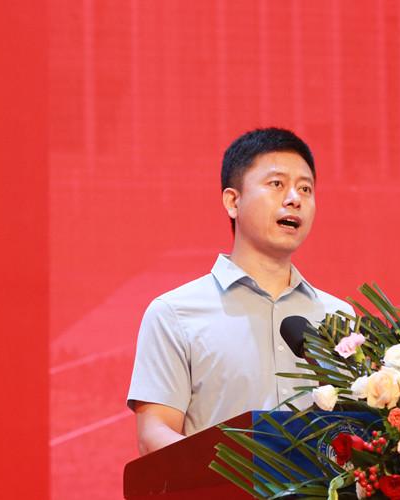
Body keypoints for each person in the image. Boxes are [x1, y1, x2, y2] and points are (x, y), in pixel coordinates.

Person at [126, 127, 354, 455]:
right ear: (233, 201)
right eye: (277, 184)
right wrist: (235, 472)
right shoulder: (175, 314)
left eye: (305, 188)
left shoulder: (338, 316)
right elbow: (154, 435)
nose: (294, 199)